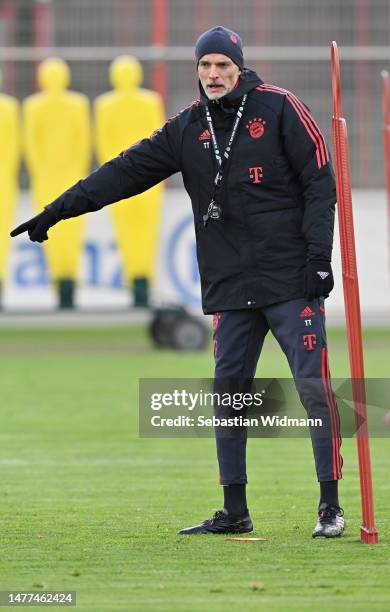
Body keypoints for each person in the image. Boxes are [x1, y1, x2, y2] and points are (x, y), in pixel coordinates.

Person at [11, 26, 344, 539]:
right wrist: (56, 212)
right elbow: (121, 173)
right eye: (205, 66)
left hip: (291, 279)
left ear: (239, 67)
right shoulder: (187, 128)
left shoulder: (280, 108)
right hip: (230, 286)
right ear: (197, 70)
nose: (213, 75)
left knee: (313, 389)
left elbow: (320, 183)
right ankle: (234, 510)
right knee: (229, 395)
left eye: (222, 66)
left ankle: (329, 506)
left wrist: (320, 260)